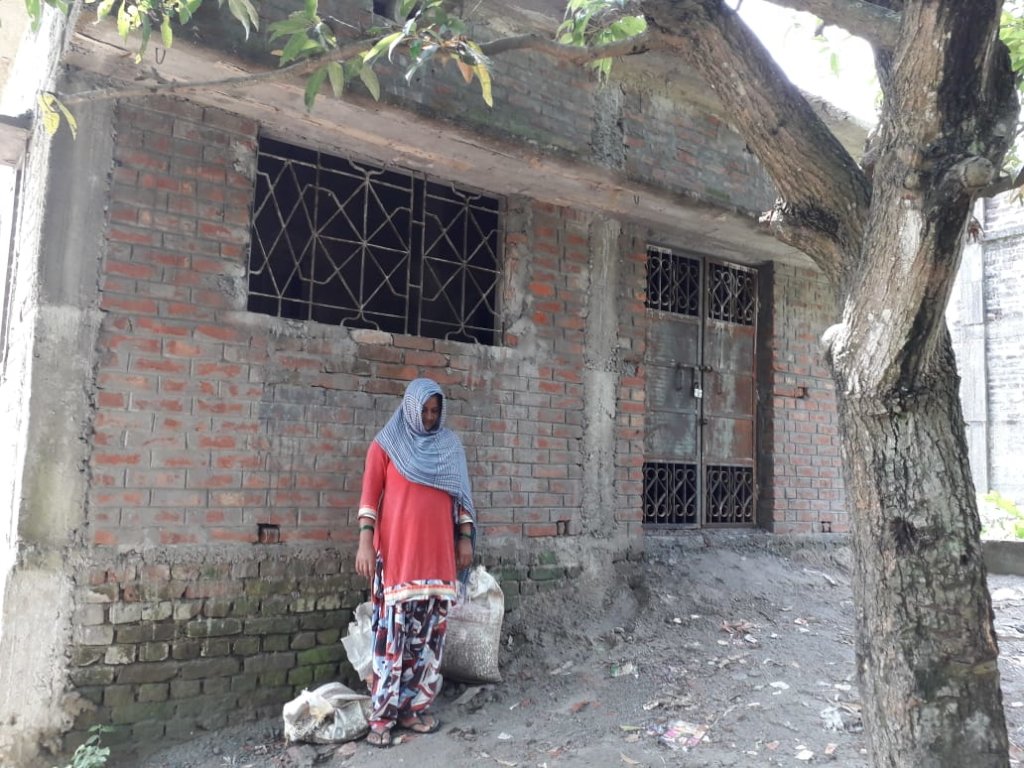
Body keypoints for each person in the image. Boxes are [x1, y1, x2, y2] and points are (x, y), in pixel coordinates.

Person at [354, 377, 476, 748]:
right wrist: (364, 542)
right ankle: (382, 717)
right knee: (392, 639)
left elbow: (461, 497)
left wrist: (465, 538)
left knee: (427, 640)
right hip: (398, 559)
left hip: (438, 559)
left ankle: (413, 710)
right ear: (409, 408)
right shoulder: (385, 445)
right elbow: (370, 497)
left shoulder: (450, 446)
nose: (427, 418)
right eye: (422, 411)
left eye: (434, 411)